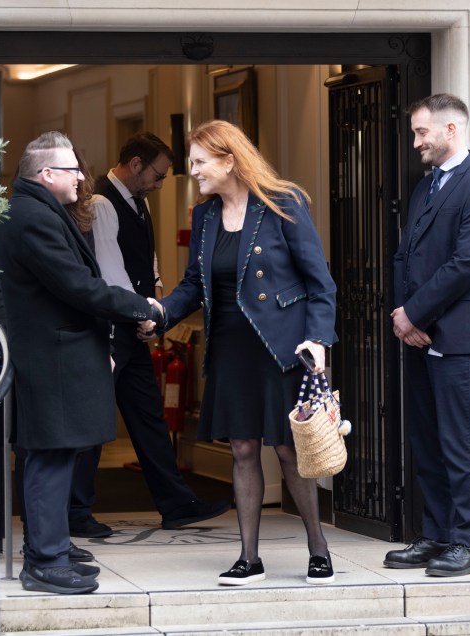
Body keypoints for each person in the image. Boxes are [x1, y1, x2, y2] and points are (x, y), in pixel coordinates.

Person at [157, 120, 338, 586]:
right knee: (242, 448)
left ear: (229, 160)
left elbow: (320, 283)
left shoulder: (282, 204)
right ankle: (249, 558)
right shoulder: (205, 216)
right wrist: (159, 314)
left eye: (199, 162)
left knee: (287, 448)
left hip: (280, 345)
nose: (192, 171)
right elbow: (195, 284)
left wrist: (318, 339)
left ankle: (319, 550)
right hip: (232, 346)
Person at [0, 131, 159, 594]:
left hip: (57, 353)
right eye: (72, 170)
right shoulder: (33, 217)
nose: (82, 177)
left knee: (56, 456)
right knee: (50, 457)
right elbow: (76, 286)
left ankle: (50, 548)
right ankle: (45, 562)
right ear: (47, 174)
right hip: (53, 355)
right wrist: (140, 307)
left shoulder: (35, 210)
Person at [68, 132, 230, 538]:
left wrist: (156, 303)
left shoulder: (137, 203)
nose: (160, 185)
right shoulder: (104, 202)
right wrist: (143, 314)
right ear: (136, 164)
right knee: (96, 421)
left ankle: (176, 503)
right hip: (111, 328)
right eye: (157, 175)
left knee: (148, 418)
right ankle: (76, 511)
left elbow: (147, 263)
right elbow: (110, 270)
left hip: (134, 326)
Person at [383, 94, 470, 577]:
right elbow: (404, 254)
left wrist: (414, 314)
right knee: (427, 441)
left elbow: (467, 264)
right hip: (418, 334)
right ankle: (435, 535)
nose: (416, 142)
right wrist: (402, 316)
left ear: (451, 130)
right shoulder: (426, 186)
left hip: (459, 338)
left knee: (460, 445)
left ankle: (465, 545)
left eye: (421, 133)